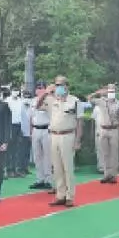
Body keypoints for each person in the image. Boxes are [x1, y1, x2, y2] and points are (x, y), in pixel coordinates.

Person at [36, 76, 82, 207]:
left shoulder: (74, 101)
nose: (58, 87)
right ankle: (60, 195)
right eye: (56, 85)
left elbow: (80, 122)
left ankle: (70, 196)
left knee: (67, 167)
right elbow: (37, 106)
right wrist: (45, 92)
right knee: (57, 168)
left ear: (67, 86)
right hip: (54, 135)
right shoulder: (51, 100)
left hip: (68, 135)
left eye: (61, 85)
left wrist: (78, 140)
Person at [89, 84, 119, 184]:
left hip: (114, 129)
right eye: (109, 90)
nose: (111, 92)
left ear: (116, 92)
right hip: (103, 129)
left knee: (114, 153)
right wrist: (98, 92)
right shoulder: (101, 101)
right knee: (104, 153)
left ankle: (113, 175)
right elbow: (89, 98)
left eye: (113, 90)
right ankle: (106, 174)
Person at [29, 82, 52, 191]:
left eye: (42, 88)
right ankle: (40, 179)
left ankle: (48, 180)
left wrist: (46, 95)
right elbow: (31, 117)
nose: (39, 90)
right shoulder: (32, 101)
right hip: (36, 129)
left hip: (46, 129)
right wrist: (30, 131)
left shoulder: (50, 100)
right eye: (38, 88)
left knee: (47, 156)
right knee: (37, 156)